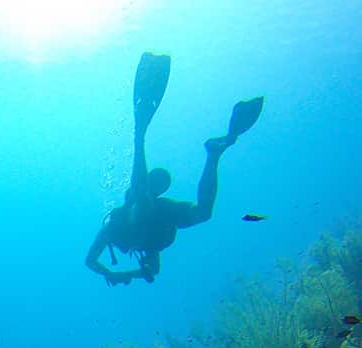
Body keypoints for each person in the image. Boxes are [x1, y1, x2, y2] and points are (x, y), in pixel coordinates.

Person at [85, 52, 264, 286]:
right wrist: (132, 273)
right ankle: (213, 155)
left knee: (141, 200)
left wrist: (113, 274)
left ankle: (139, 134)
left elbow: (91, 261)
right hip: (161, 222)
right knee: (203, 213)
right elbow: (152, 270)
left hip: (153, 216)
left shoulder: (115, 224)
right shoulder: (143, 237)